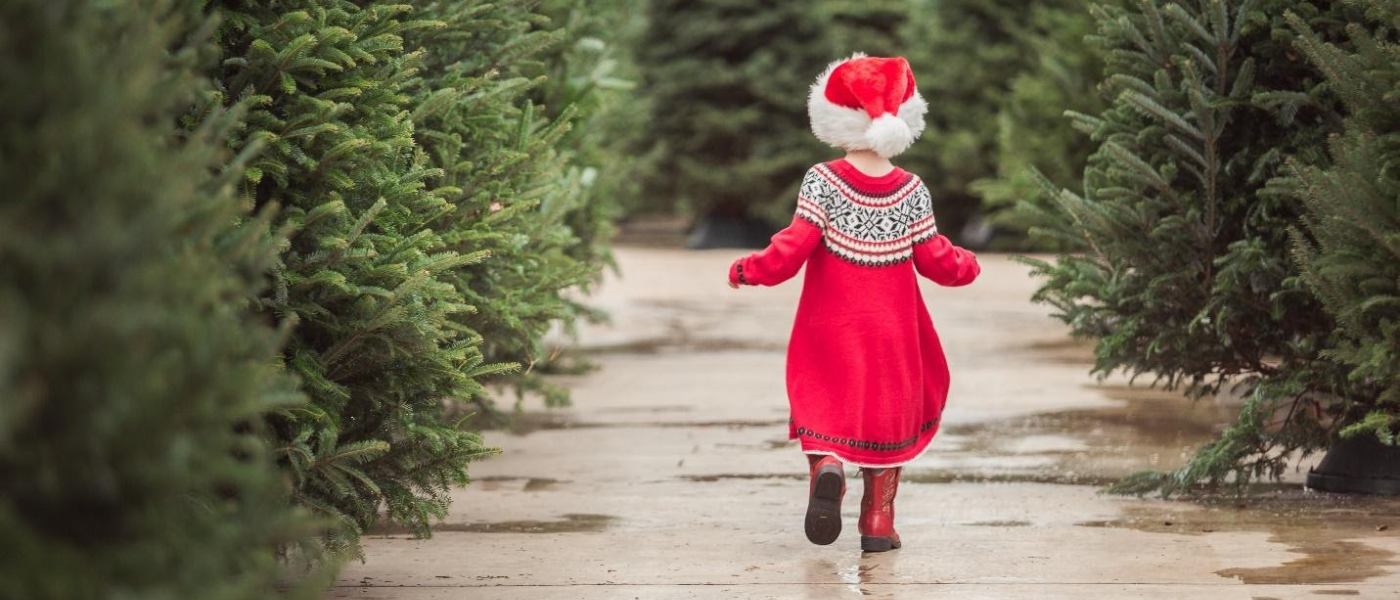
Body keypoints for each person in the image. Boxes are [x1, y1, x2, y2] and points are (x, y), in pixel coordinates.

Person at [726, 54, 980, 552]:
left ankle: (827, 467)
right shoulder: (912, 190)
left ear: (833, 119)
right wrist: (969, 263)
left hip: (829, 328)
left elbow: (791, 249)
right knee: (886, 415)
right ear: (905, 119)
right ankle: (878, 522)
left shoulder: (822, 180)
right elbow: (938, 262)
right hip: (892, 332)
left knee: (824, 405)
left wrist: (748, 269)